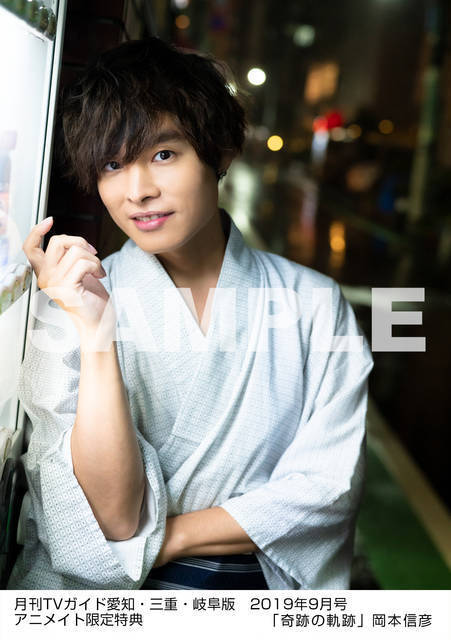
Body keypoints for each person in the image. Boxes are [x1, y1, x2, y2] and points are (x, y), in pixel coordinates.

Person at [8, 37, 373, 590]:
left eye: (163, 154)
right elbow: (110, 519)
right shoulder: (75, 300)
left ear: (219, 152)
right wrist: (96, 334)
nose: (138, 191)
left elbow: (327, 487)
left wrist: (158, 541)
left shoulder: (315, 303)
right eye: (112, 164)